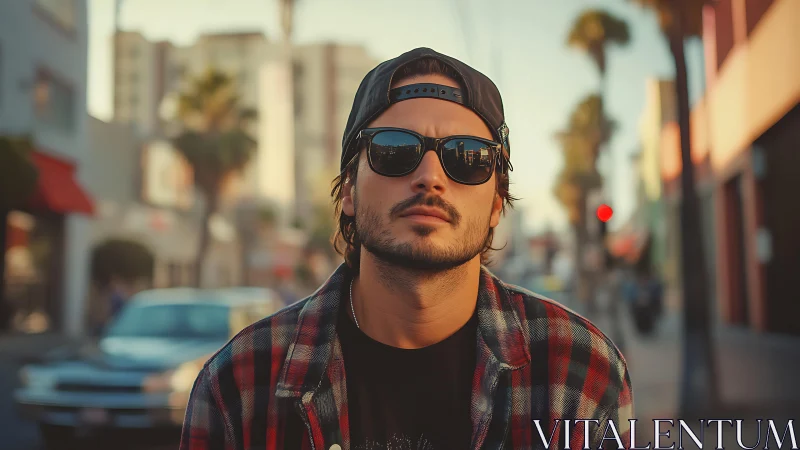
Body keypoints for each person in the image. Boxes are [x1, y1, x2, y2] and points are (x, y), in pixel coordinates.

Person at [180, 48, 633, 450]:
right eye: (395, 149)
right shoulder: (239, 383)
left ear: (497, 204)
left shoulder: (579, 370)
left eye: (467, 157)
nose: (431, 176)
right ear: (350, 191)